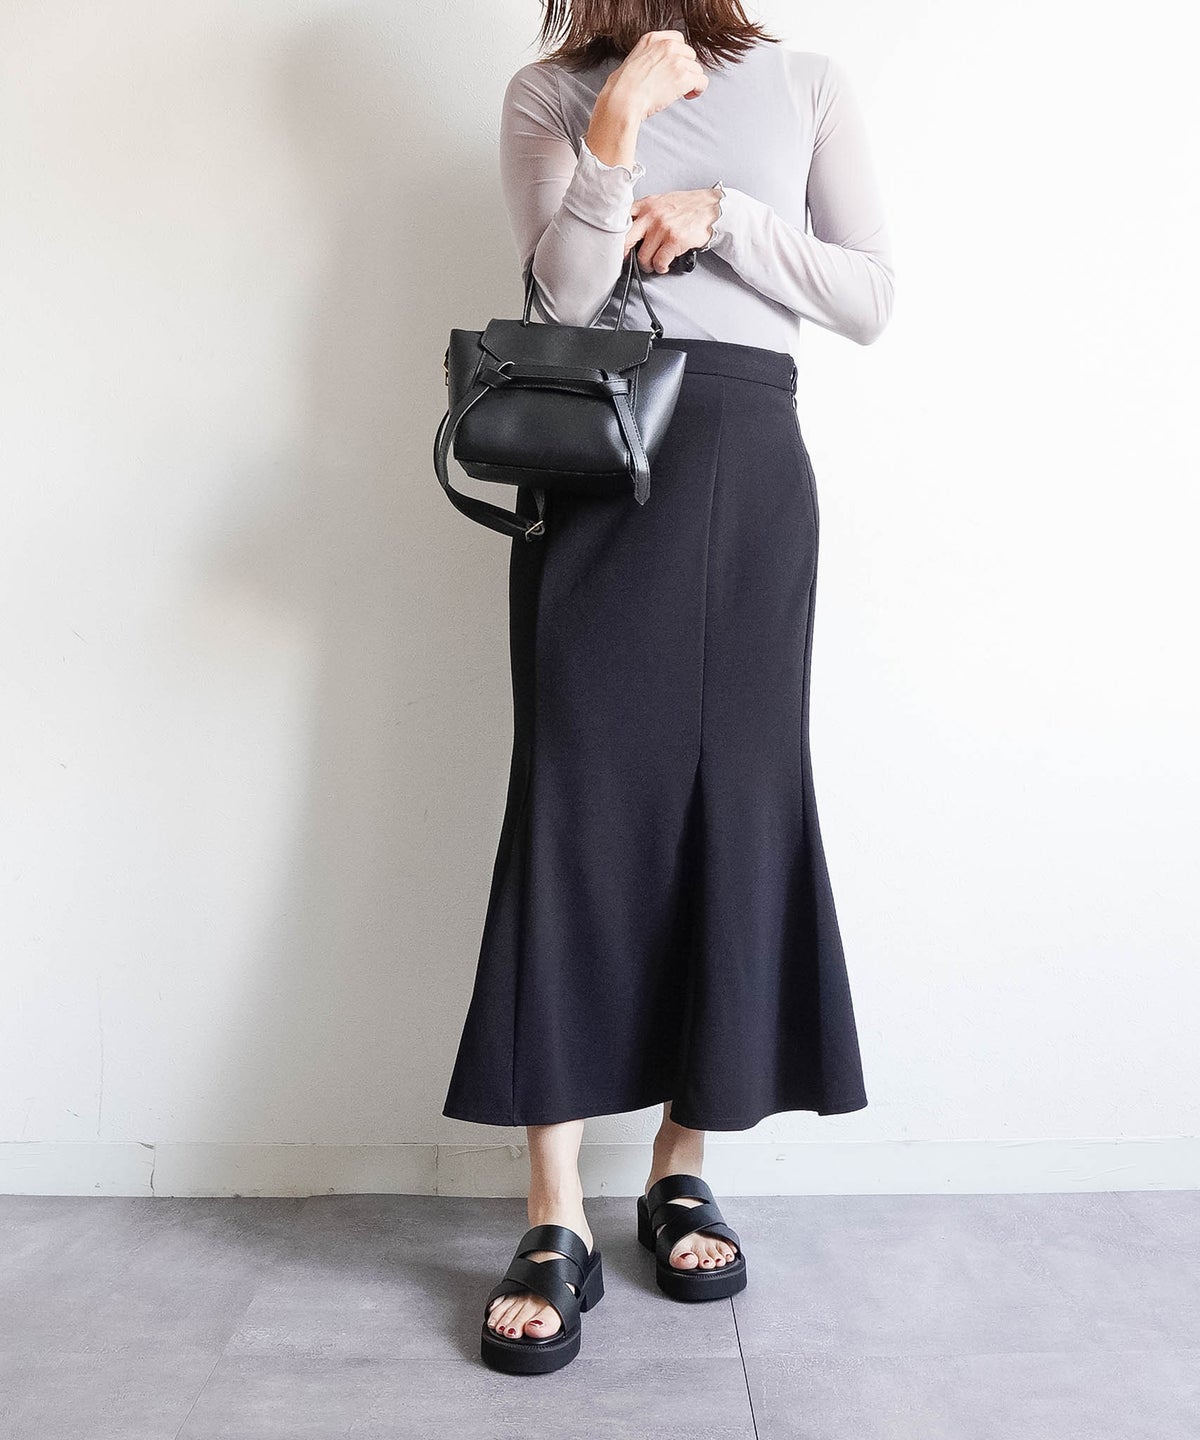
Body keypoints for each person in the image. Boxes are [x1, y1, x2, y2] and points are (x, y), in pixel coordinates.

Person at [440, 1, 894, 1375]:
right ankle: (553, 1214)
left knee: (738, 804)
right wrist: (618, 126)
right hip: (601, 462)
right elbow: (565, 302)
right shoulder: (549, 95)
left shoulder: (806, 82)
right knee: (574, 812)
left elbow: (869, 298)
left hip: (750, 466)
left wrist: (726, 220)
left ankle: (680, 1168)